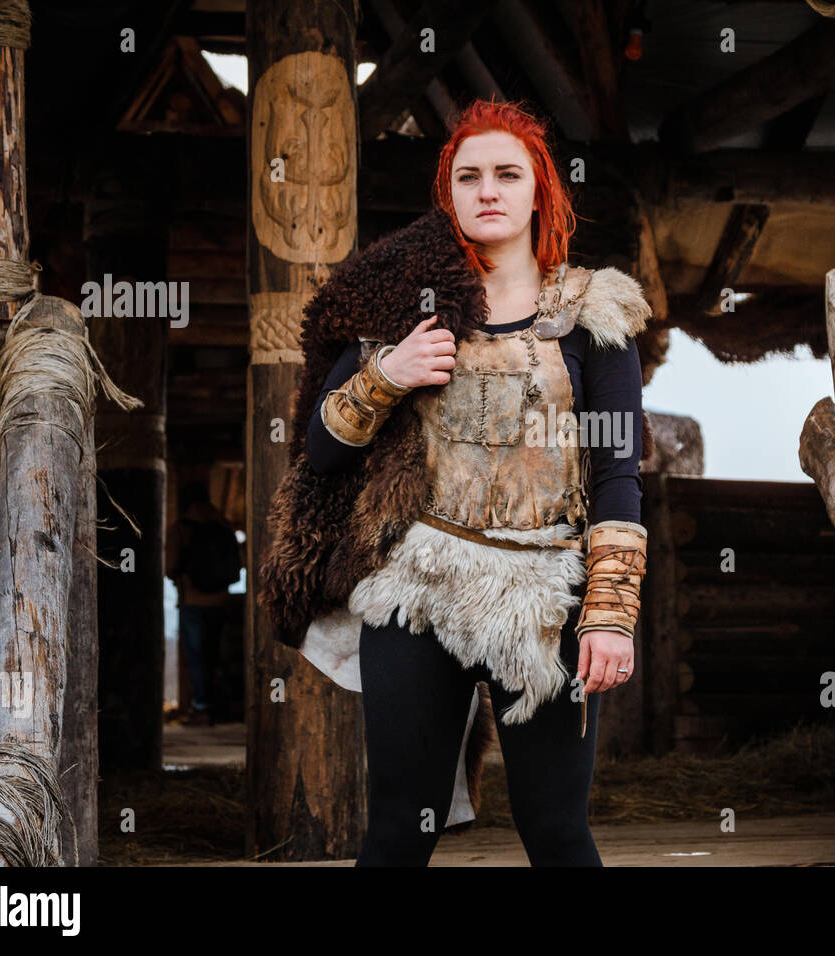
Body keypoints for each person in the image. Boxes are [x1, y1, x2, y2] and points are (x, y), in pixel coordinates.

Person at [257, 98, 651, 866]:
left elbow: (618, 474)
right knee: (401, 828)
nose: (488, 190)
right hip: (418, 587)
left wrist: (610, 611)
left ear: (542, 190)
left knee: (558, 830)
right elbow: (321, 454)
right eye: (468, 177)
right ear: (449, 196)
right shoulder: (399, 308)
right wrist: (385, 375)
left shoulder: (591, 315)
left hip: (546, 595)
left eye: (508, 173)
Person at [166, 481, 241, 726]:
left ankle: (201, 708)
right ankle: (219, 707)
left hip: (193, 601)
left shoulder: (181, 528)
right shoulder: (224, 526)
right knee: (217, 655)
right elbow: (236, 568)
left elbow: (170, 567)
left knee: (196, 657)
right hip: (221, 601)